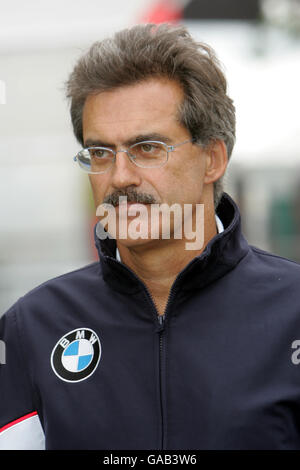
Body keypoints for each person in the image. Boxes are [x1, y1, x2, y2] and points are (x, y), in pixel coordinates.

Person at [1, 23, 300, 451]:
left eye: (147, 148)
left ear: (212, 158)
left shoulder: (292, 310)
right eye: (100, 152)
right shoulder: (32, 327)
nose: (120, 177)